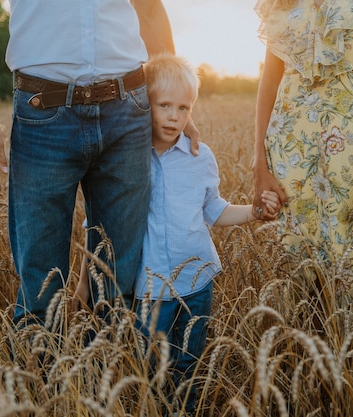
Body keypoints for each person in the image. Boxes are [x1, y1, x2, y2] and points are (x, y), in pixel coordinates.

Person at [0, 0, 200, 328]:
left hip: (128, 109)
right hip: (43, 112)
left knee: (118, 291)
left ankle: (104, 377)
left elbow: (149, 7)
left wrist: (175, 100)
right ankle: (38, 380)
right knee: (41, 296)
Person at [75, 53, 280, 413]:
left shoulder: (200, 157)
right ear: (144, 105)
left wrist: (254, 212)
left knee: (187, 367)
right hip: (148, 288)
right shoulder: (125, 160)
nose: (174, 116)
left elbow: (214, 211)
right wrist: (84, 280)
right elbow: (98, 223)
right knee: (148, 369)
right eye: (164, 105)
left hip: (197, 282)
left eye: (184, 108)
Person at [251, 0, 353, 309]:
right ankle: (300, 353)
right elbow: (270, 80)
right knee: (298, 274)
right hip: (292, 154)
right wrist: (260, 164)